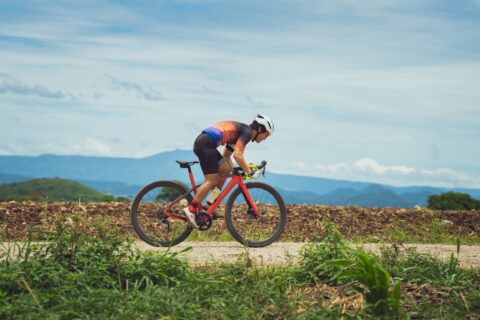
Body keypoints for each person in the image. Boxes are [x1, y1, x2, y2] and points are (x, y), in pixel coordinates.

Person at [183, 114, 274, 228]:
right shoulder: (247, 132)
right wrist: (248, 171)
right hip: (206, 144)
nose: (265, 138)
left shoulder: (241, 132)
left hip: (205, 142)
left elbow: (226, 156)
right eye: (266, 135)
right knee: (211, 180)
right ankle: (191, 209)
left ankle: (208, 206)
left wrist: (234, 170)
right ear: (260, 129)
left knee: (225, 170)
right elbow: (238, 155)